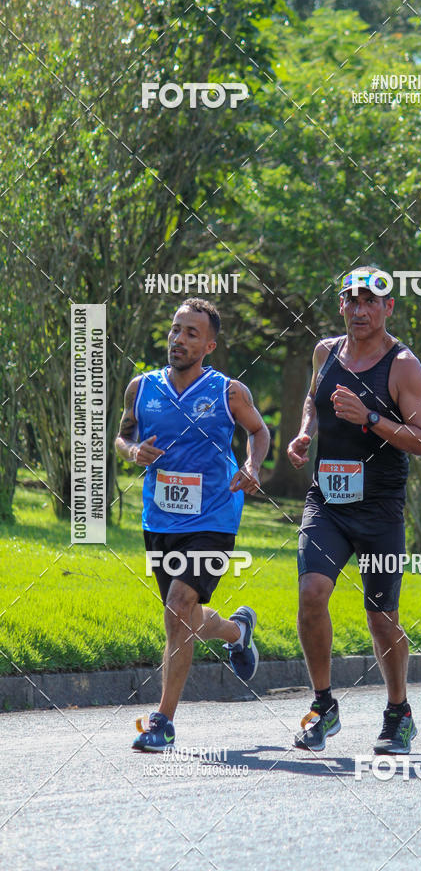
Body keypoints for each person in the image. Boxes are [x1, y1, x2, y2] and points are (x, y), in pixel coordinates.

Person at [287, 266, 421, 754]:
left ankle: (399, 713)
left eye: (371, 301)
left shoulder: (403, 365)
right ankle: (324, 706)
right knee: (311, 592)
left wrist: (370, 418)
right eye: (353, 300)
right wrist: (305, 432)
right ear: (342, 306)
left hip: (380, 509)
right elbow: (313, 399)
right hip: (327, 501)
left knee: (381, 616)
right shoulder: (324, 352)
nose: (361, 309)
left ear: (388, 307)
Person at [116, 298, 270, 751]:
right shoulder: (141, 388)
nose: (178, 339)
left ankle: (162, 720)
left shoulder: (229, 392)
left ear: (209, 345)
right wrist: (131, 451)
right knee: (179, 615)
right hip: (160, 518)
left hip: (214, 516)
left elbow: (258, 432)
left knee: (178, 605)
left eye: (191, 333)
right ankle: (237, 631)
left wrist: (253, 467)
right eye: (175, 330)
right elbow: (122, 435)